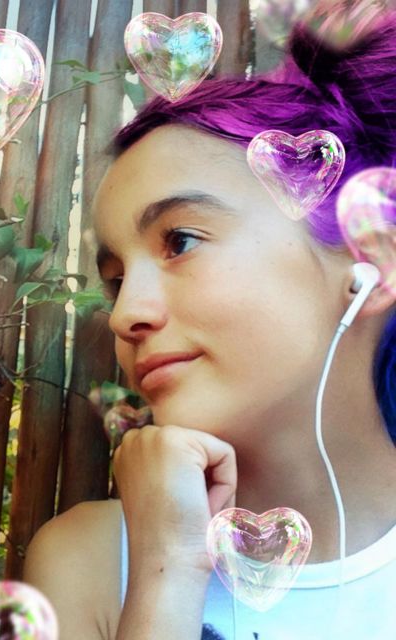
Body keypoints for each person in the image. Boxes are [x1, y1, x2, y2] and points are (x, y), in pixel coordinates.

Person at [23, 3, 396, 638]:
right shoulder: (90, 562)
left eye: (181, 241)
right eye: (115, 281)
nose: (125, 316)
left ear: (372, 261)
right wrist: (168, 567)